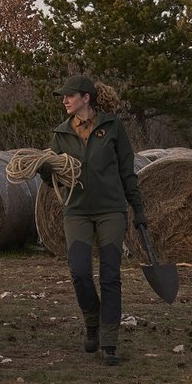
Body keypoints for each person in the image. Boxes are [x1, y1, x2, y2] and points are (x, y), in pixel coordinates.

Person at [39, 75, 146, 366]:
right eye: (63, 96)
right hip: (76, 211)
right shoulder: (60, 134)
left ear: (86, 98)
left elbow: (127, 171)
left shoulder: (113, 127)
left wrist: (138, 210)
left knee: (111, 275)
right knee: (80, 272)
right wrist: (45, 170)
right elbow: (53, 182)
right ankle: (92, 323)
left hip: (111, 210)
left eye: (69, 96)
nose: (64, 100)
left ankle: (109, 342)